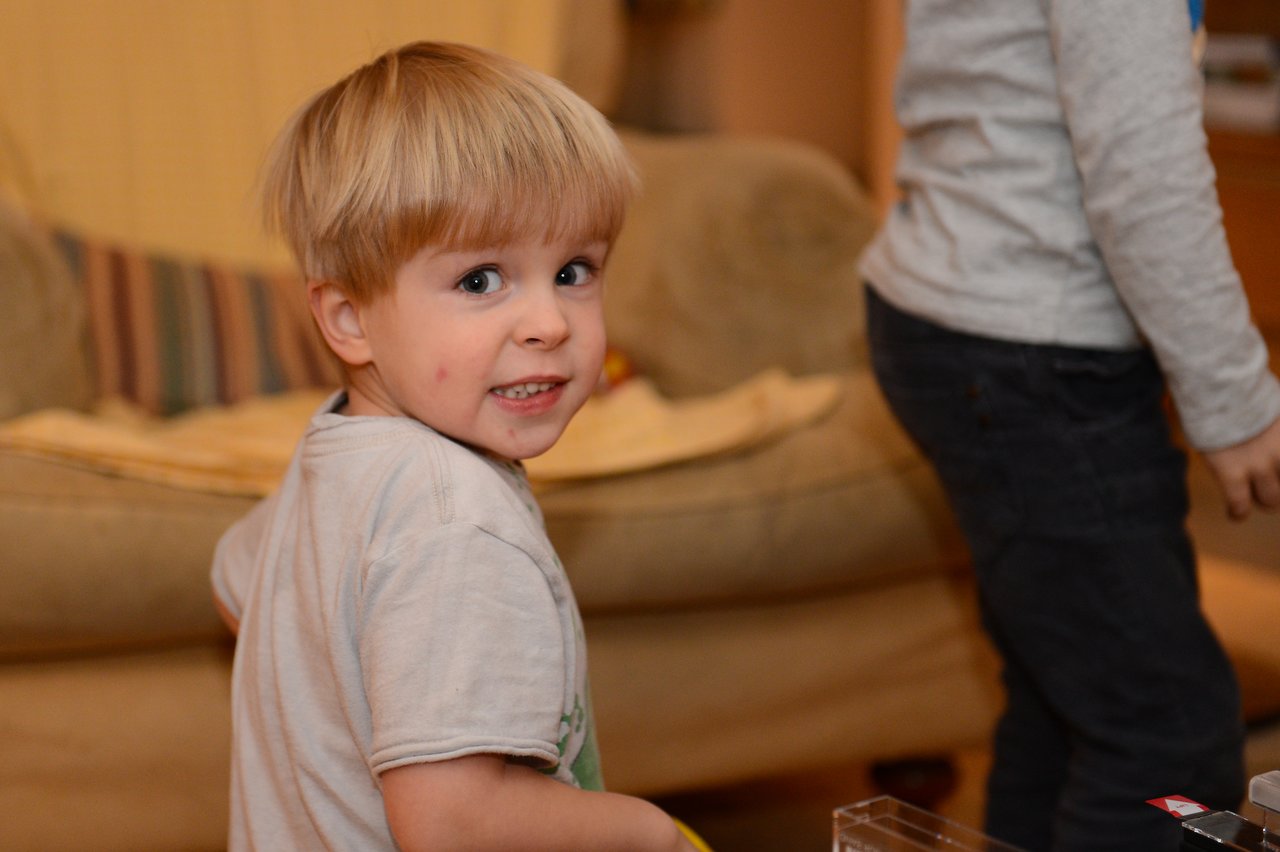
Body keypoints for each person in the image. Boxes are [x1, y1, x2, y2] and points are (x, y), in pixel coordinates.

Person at [210, 41, 700, 851]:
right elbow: (454, 823)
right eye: (481, 280)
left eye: (575, 270)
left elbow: (236, 583)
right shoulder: (455, 522)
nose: (549, 322)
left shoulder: (337, 450)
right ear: (349, 319)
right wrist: (651, 834)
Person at [859, 1, 1280, 850]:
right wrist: (1235, 399)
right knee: (1168, 731)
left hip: (950, 309)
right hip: (1029, 349)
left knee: (1067, 702)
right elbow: (1145, 176)